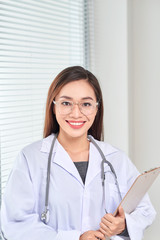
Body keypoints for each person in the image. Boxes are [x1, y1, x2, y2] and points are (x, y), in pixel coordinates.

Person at [1, 66, 156, 240]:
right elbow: (14, 224)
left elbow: (145, 210)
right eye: (66, 103)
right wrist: (75, 238)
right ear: (53, 106)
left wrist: (124, 225)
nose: (76, 113)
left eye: (86, 104)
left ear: (97, 109)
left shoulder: (116, 159)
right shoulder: (30, 158)